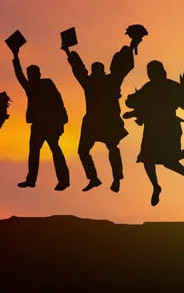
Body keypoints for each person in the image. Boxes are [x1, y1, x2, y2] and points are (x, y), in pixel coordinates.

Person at [61, 25, 144, 193]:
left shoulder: (92, 82)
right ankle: (107, 178)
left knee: (90, 151)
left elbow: (79, 69)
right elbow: (122, 68)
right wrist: (131, 45)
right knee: (105, 149)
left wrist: (68, 52)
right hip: (99, 120)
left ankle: (103, 178)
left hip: (99, 120)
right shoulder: (109, 81)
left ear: (94, 71)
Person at [124, 61, 184, 206]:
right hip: (152, 127)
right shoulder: (148, 87)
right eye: (149, 72)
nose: (150, 75)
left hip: (168, 128)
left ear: (160, 71)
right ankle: (156, 186)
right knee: (147, 159)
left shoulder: (172, 86)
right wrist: (132, 108)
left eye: (152, 72)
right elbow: (140, 103)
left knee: (168, 161)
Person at [11, 46, 70, 191]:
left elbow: (58, 101)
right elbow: (19, 75)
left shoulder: (47, 83)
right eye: (29, 73)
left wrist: (61, 120)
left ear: (38, 74)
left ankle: (63, 181)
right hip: (38, 124)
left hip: (50, 124)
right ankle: (31, 180)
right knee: (34, 152)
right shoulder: (30, 86)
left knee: (54, 149)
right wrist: (15, 55)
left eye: (32, 73)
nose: (30, 76)